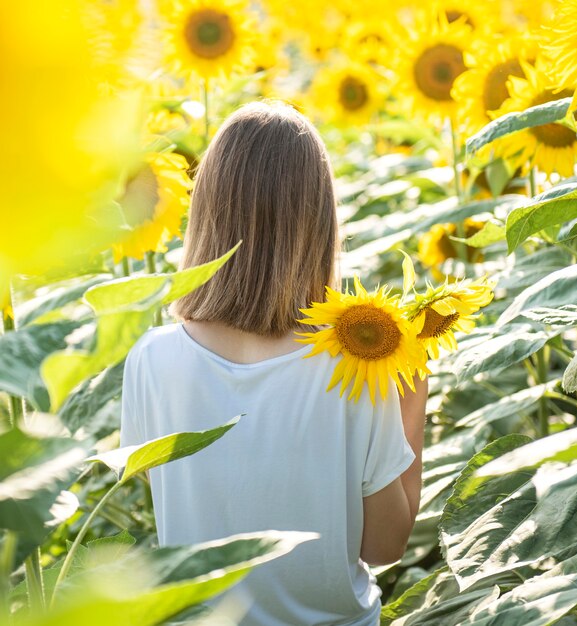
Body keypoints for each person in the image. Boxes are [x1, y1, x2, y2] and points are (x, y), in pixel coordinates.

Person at [120, 100, 428, 625]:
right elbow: (385, 546)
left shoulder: (150, 360)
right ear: (321, 221)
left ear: (206, 214)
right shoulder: (351, 370)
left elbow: (173, 497)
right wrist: (412, 403)